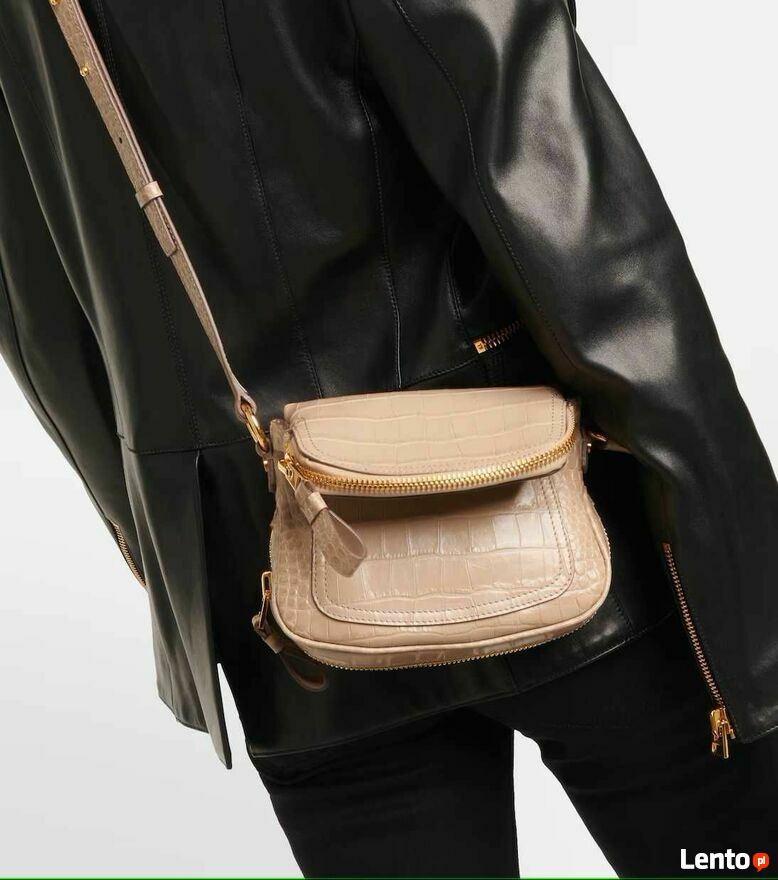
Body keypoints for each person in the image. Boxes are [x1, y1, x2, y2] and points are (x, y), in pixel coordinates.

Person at [0, 1, 775, 876]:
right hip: (551, 523)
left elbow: (37, 318)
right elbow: (577, 221)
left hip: (285, 599)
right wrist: (736, 567)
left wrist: (178, 543)